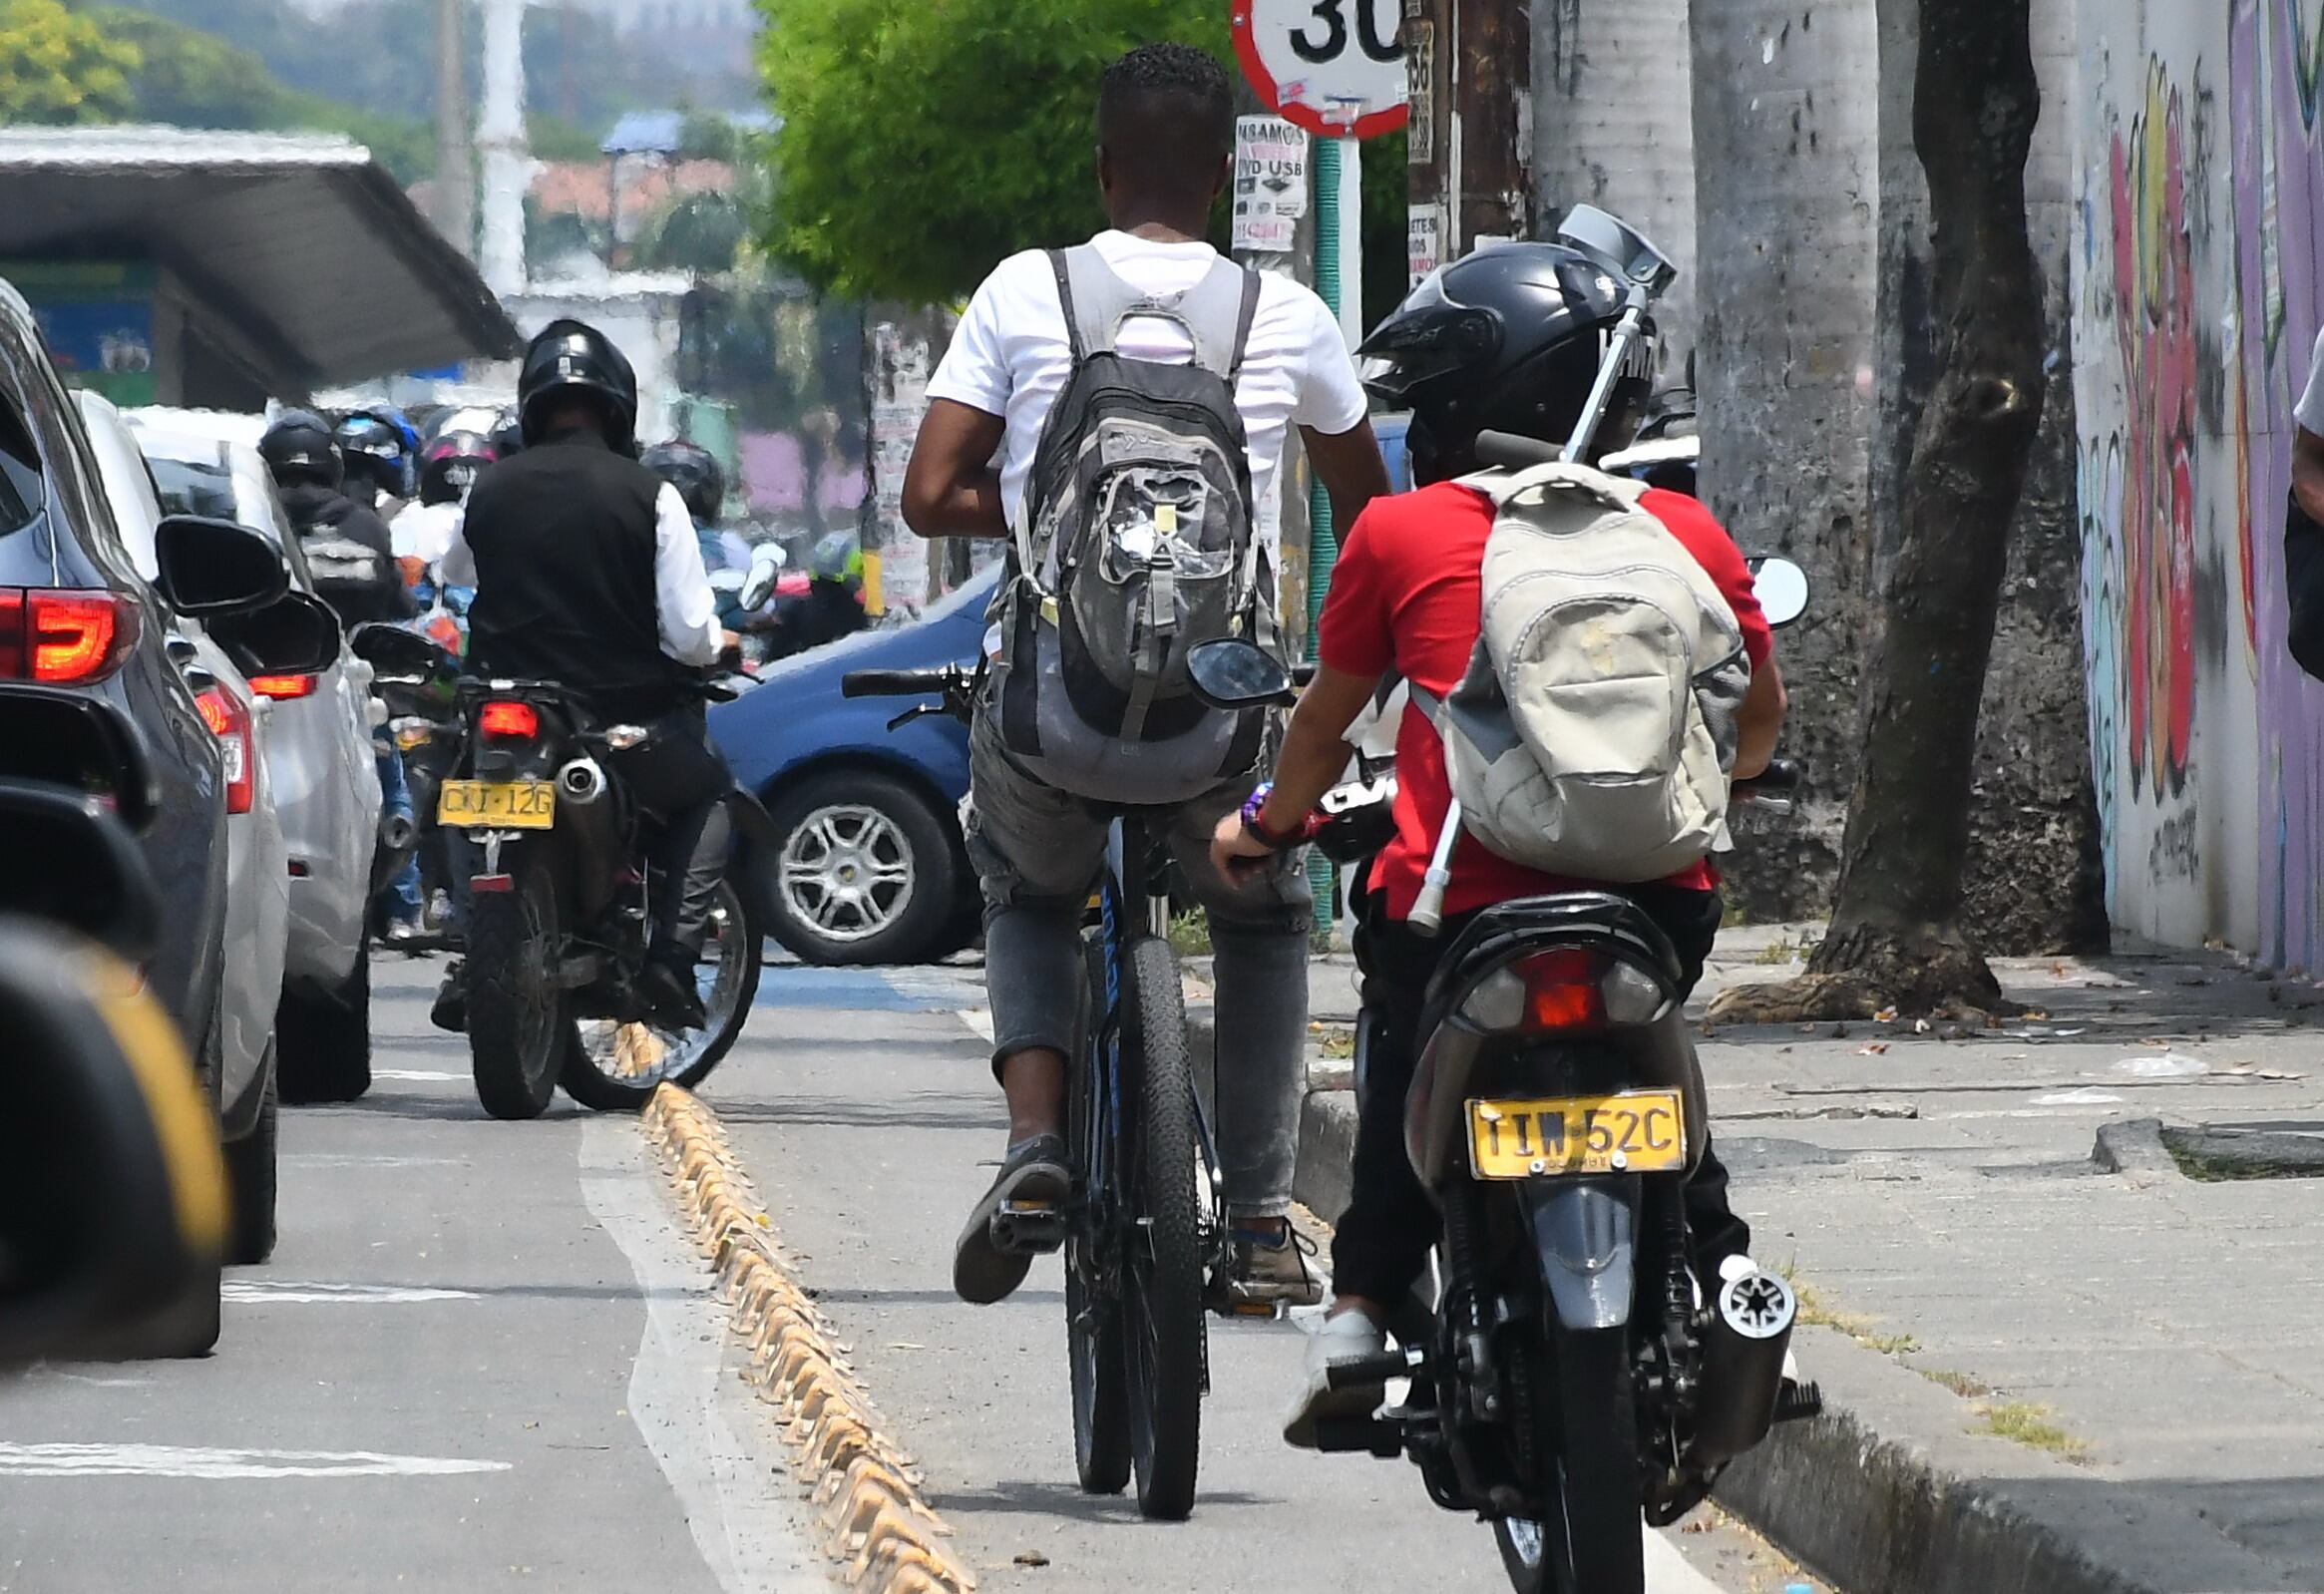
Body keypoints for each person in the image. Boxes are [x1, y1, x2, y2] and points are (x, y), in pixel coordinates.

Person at [1205, 243, 1790, 1443]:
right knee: (1660, 1069)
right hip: (1653, 898)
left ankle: (1361, 1305)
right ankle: (1723, 1268)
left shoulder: (1400, 535)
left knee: (1390, 1063)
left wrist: (1263, 824)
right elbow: (1755, 721)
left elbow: (1321, 727)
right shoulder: (1680, 529)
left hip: (1458, 909)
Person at [901, 42, 1390, 1308]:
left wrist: (1029, 517)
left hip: (1052, 715)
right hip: (1217, 730)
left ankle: (1035, 1146)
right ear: (1226, 175)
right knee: (1263, 913)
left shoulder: (1025, 291)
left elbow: (924, 494)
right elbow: (1368, 515)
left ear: (1104, 166)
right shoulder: (1283, 315)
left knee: (1026, 894)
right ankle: (1265, 1219)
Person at [434, 320, 737, 1030]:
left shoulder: (491, 489)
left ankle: (463, 938)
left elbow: (455, 575)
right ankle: (669, 962)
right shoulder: (650, 495)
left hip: (501, 707)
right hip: (617, 724)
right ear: (616, 406)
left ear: (535, 404)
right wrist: (718, 647)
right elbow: (692, 637)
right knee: (712, 795)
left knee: (455, 787)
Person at [260, 410, 414, 628]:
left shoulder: (254, 519)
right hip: (349, 656)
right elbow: (402, 608)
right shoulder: (369, 525)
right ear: (334, 464)